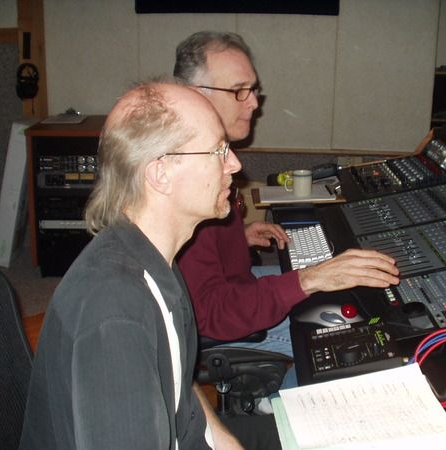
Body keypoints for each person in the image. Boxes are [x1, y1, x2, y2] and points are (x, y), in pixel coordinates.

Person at [19, 79, 281, 450]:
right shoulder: (114, 318)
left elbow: (176, 382)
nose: (235, 164)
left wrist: (225, 442)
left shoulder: (155, 256)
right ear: (161, 174)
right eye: (219, 150)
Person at [175, 31, 400, 360]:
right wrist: (308, 279)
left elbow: (198, 259)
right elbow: (210, 314)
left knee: (341, 287)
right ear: (196, 95)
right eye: (239, 91)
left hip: (238, 286)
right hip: (220, 324)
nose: (254, 103)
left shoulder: (202, 155)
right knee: (355, 341)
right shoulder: (189, 182)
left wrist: (238, 238)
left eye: (253, 90)